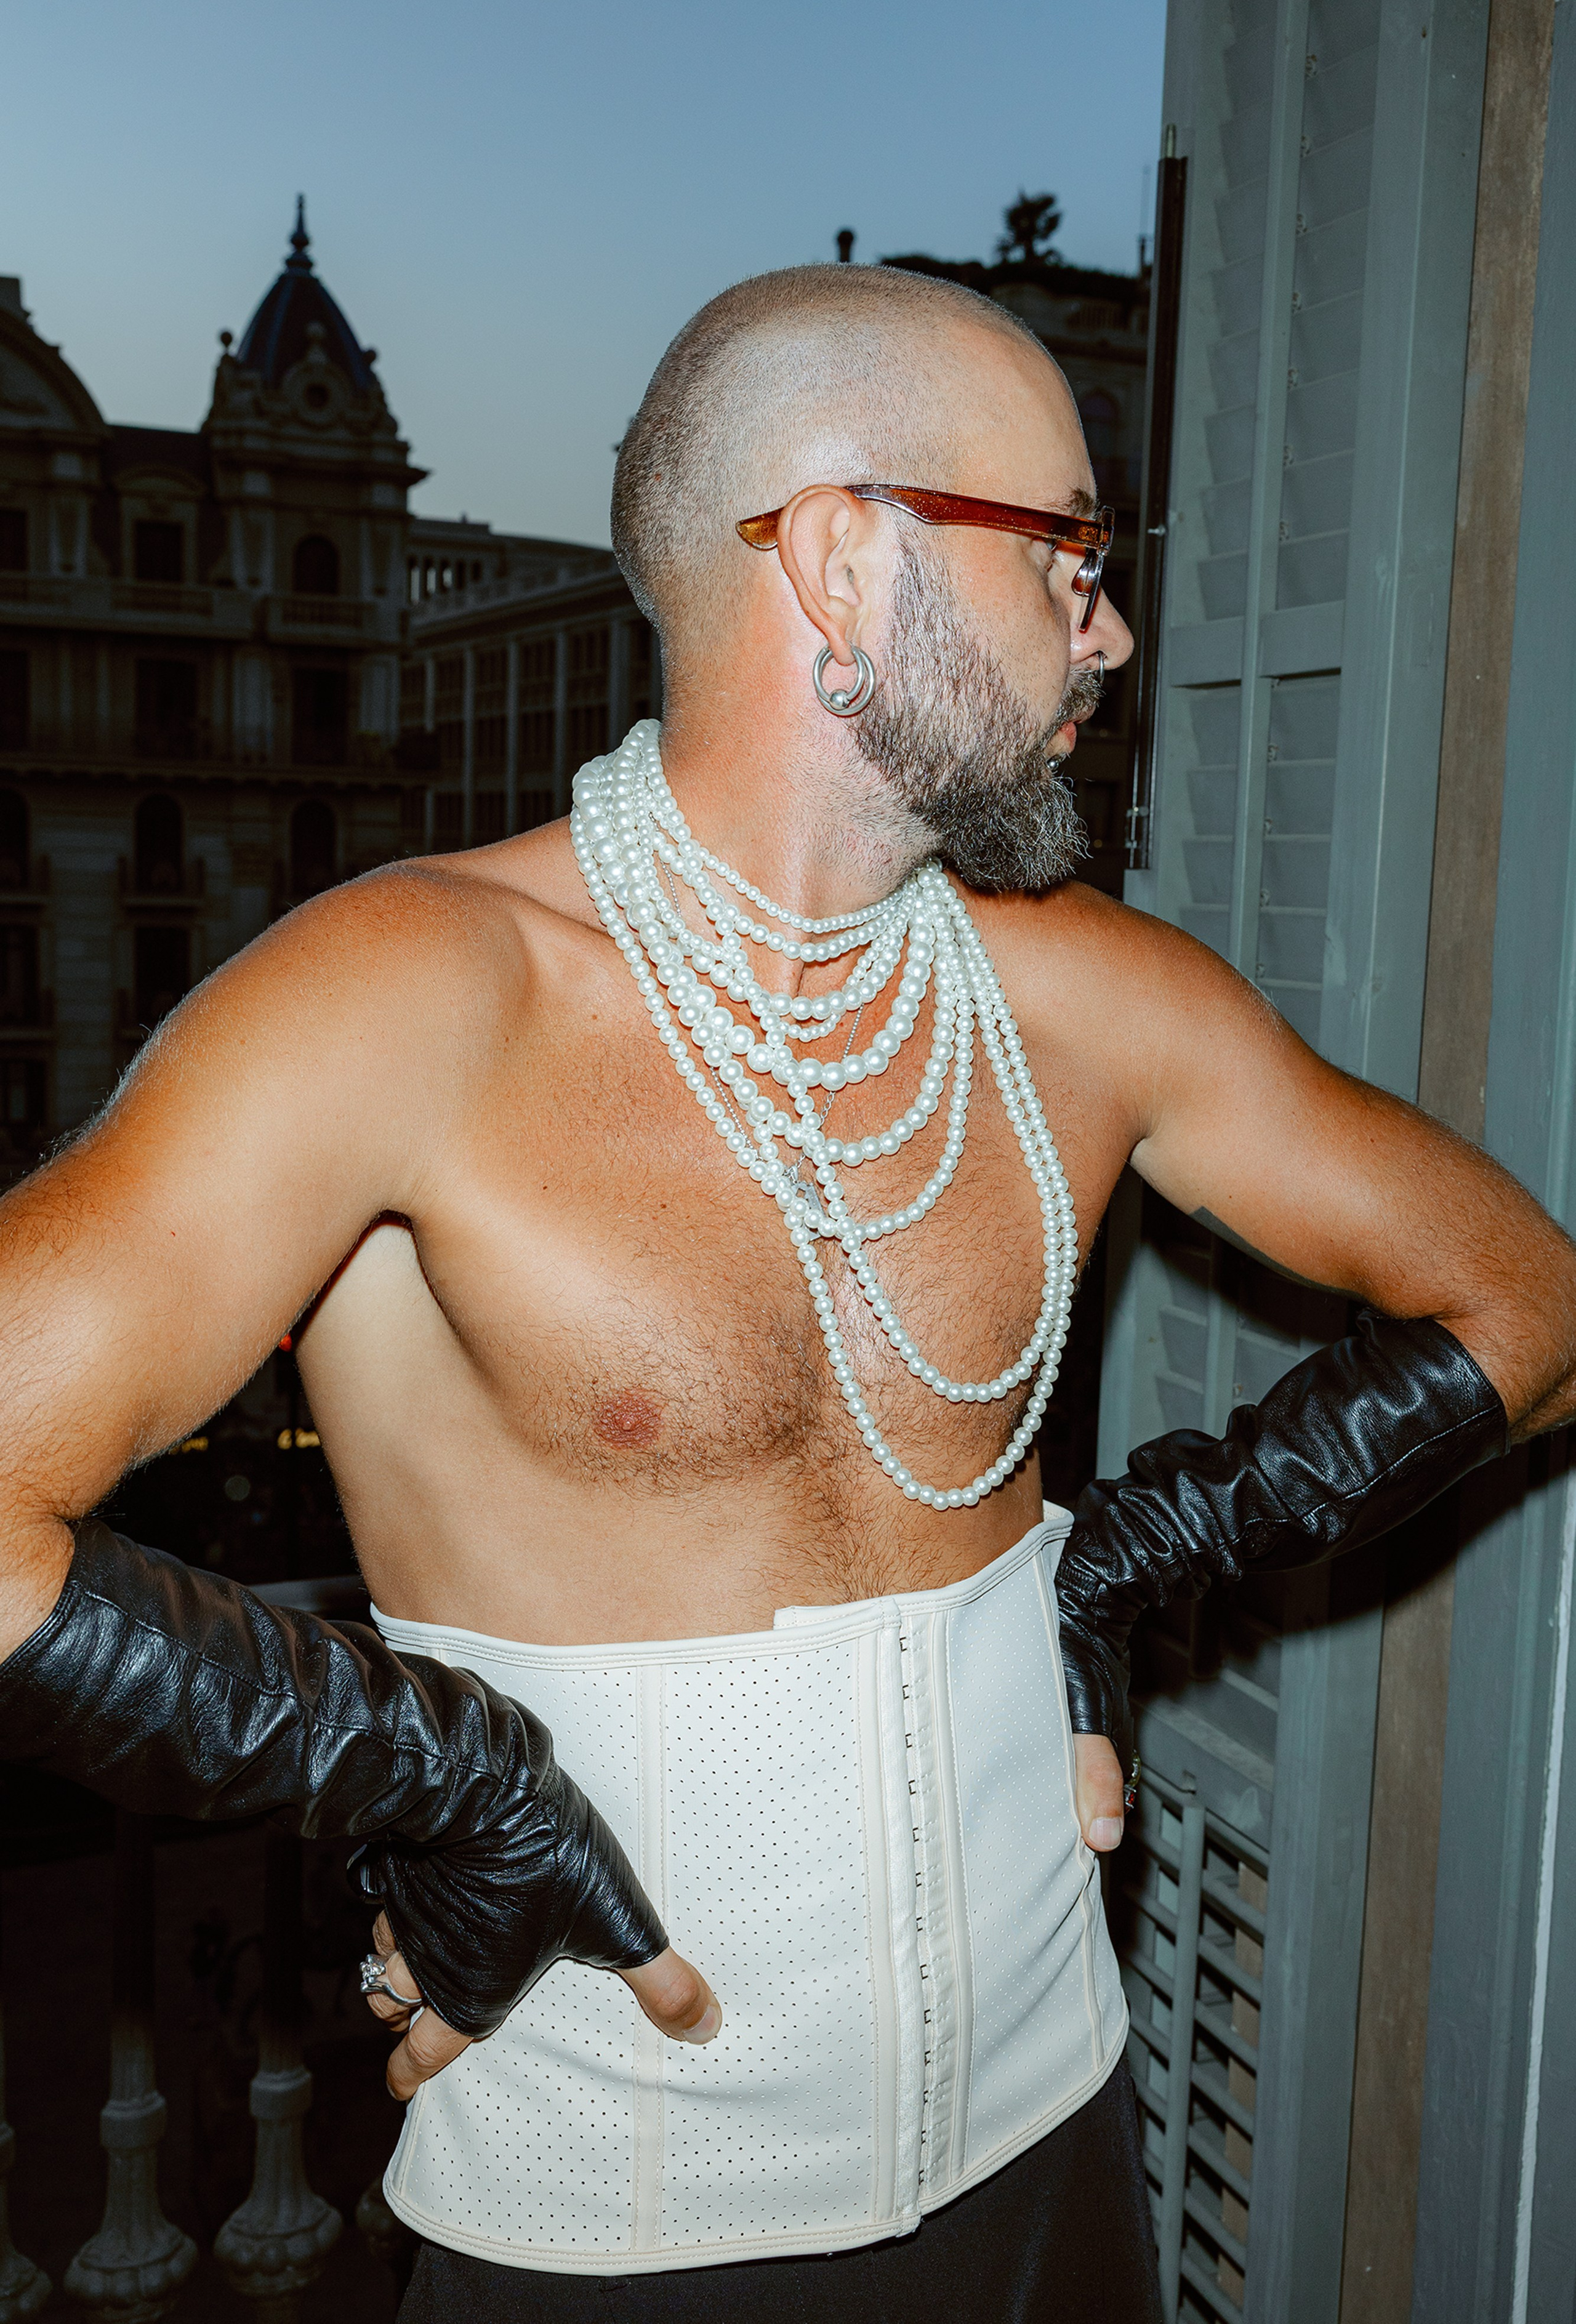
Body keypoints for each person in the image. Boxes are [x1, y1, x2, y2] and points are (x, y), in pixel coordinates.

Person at [0, 263, 1571, 2323]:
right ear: (844, 559)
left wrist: (1113, 1570)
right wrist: (430, 1776)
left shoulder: (1088, 997)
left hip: (1064, 2146)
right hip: (616, 2225)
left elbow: (1524, 1304)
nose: (1109, 625)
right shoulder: (409, 1001)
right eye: (1070, 553)